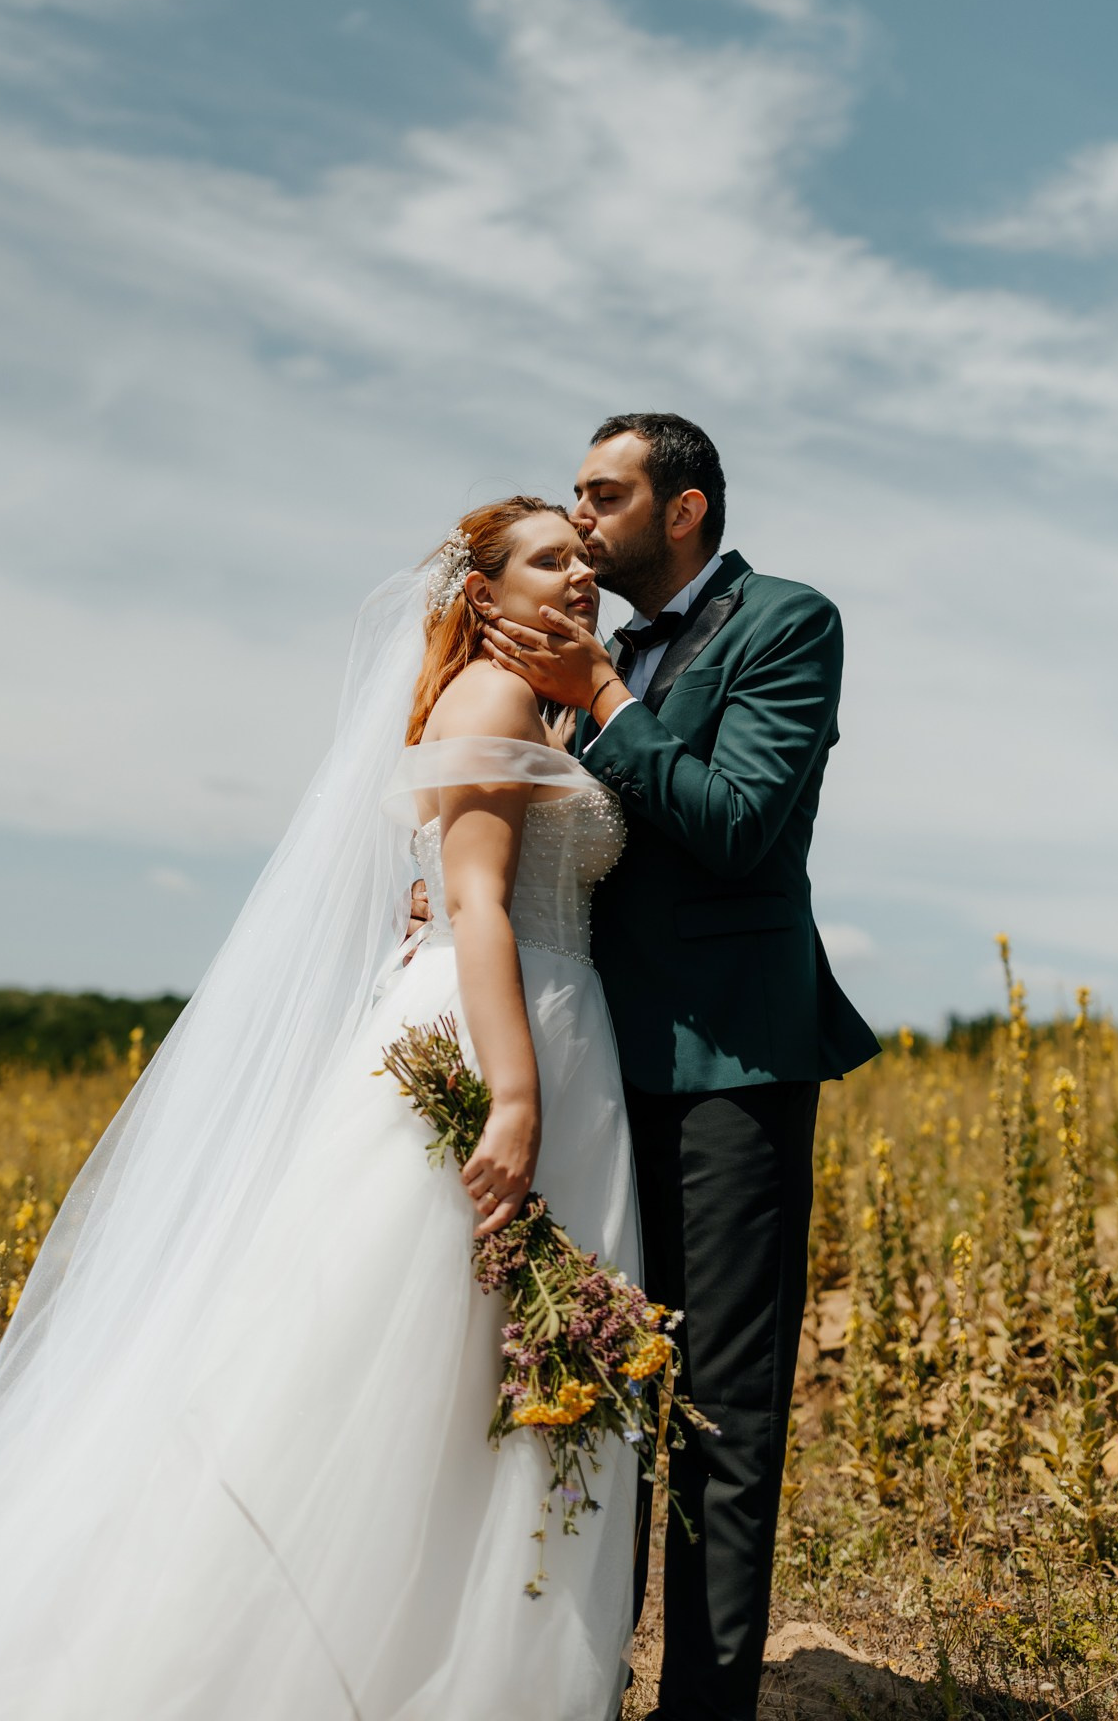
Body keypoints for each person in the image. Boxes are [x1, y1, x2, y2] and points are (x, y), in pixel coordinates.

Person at [0, 497, 641, 1721]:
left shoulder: (531, 703)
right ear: (482, 591)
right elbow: (479, 903)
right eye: (550, 558)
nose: (580, 575)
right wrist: (516, 1098)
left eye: (586, 559)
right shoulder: (490, 698)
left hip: (543, 1016)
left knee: (477, 1366)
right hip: (508, 1037)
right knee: (407, 1355)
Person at [478, 415, 881, 1721]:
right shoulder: (552, 645)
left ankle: (703, 1709)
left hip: (726, 1070)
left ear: (684, 509)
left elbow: (734, 829)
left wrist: (604, 696)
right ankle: (570, 1681)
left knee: (718, 1412)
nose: (581, 516)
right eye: (575, 496)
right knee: (580, 1382)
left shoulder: (784, 624)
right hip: (584, 1069)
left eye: (605, 493)